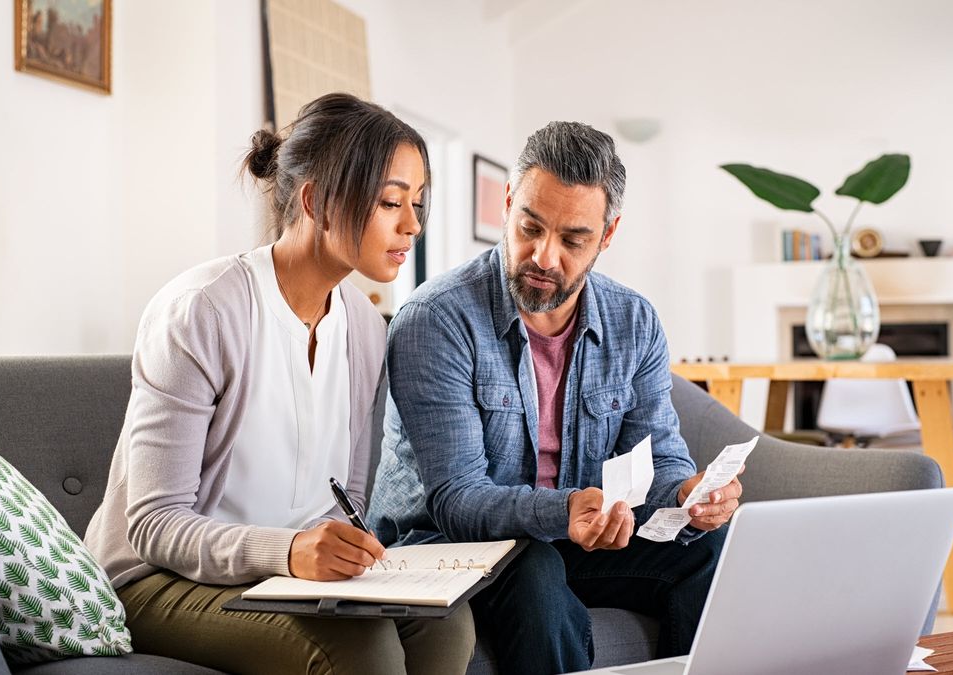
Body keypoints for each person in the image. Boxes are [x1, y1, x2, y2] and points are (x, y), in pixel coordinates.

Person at [85, 93, 476, 675]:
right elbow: (153, 525)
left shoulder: (368, 329)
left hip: (286, 575)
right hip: (158, 581)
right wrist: (289, 552)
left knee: (446, 626)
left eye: (417, 203)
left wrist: (348, 552)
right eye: (391, 201)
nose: (412, 225)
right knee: (361, 651)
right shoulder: (202, 311)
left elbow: (350, 498)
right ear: (315, 200)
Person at [367, 121, 744, 675]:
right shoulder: (437, 319)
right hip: (443, 545)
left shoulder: (633, 320)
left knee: (712, 548)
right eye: (530, 227)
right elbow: (457, 500)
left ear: (607, 236)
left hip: (570, 534)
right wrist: (565, 511)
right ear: (507, 203)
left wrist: (690, 495)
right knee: (537, 567)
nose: (544, 257)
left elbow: (660, 458)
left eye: (573, 240)